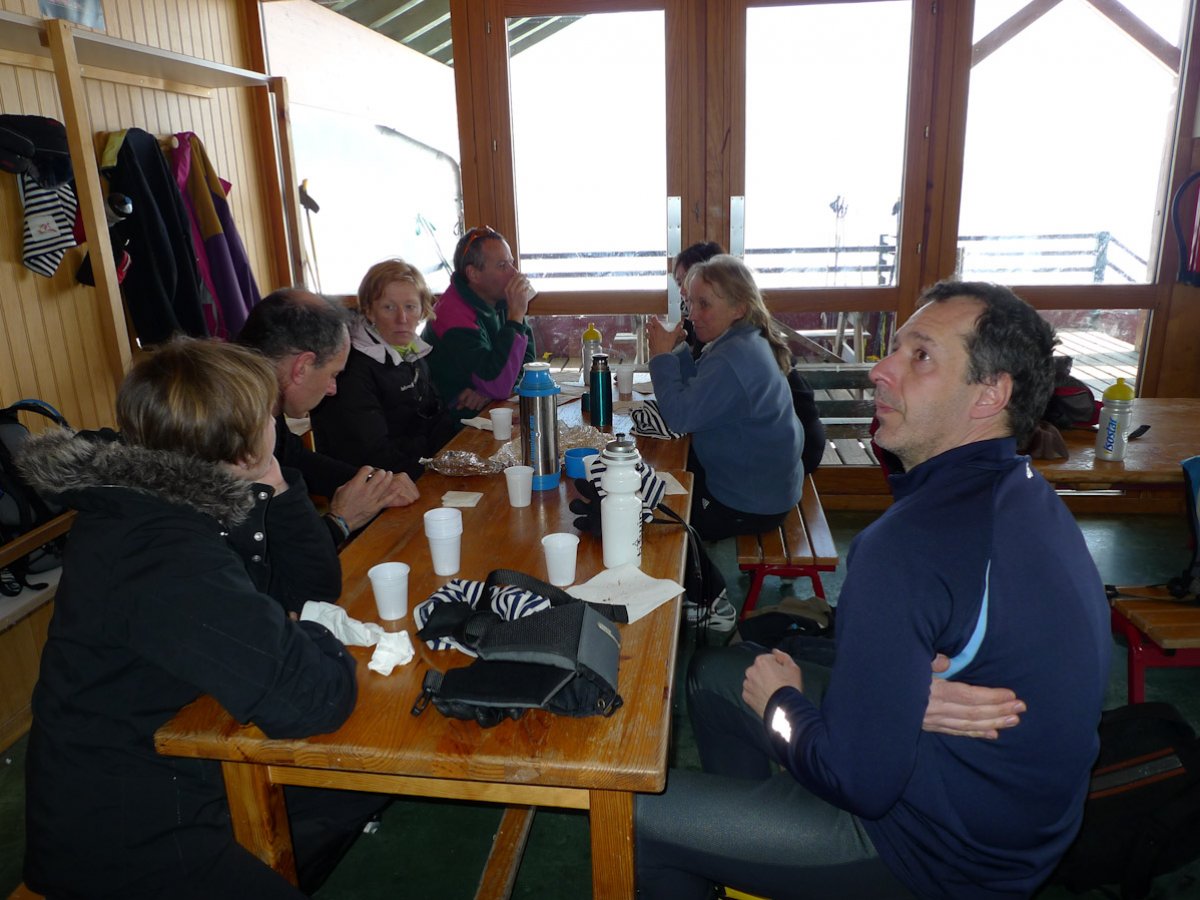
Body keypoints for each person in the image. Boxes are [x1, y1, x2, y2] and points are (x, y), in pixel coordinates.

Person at [636, 281, 1112, 899]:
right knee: (712, 675)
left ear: (991, 394)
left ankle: (766, 844)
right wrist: (900, 695)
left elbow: (856, 779)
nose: (880, 370)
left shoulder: (905, 546)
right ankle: (756, 860)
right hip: (996, 808)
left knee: (634, 815)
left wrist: (783, 707)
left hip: (931, 853)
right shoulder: (1019, 491)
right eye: (895, 349)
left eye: (921, 356)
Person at [18, 339, 386, 899]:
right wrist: (306, 631)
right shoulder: (158, 549)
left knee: (365, 780)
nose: (275, 425)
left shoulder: (180, 496)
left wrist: (276, 484)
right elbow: (314, 698)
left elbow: (311, 590)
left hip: (185, 753)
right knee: (358, 740)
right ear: (238, 448)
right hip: (127, 825)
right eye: (267, 417)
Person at [238, 287, 419, 545]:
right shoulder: (232, 430)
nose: (333, 389)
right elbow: (265, 558)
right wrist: (340, 522)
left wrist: (374, 485)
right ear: (302, 367)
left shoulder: (255, 396)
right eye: (333, 375)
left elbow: (293, 457)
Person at [647, 254, 804, 543]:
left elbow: (679, 418)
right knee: (671, 476)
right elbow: (698, 390)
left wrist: (660, 358)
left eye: (704, 304)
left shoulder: (732, 358)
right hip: (772, 486)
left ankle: (699, 573)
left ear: (739, 308)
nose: (692, 315)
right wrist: (678, 351)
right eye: (690, 303)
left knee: (654, 516)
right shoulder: (745, 339)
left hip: (751, 503)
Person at [310, 259, 456, 478]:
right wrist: (432, 473)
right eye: (389, 307)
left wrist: (448, 460)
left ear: (422, 311)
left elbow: (437, 418)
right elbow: (372, 454)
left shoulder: (412, 351)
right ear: (369, 311)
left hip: (419, 470)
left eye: (410, 307)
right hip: (372, 483)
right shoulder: (350, 369)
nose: (402, 319)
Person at [422, 225, 537, 424]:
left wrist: (489, 391)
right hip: (450, 426)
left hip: (482, 414)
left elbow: (527, 361)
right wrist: (516, 316)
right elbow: (499, 382)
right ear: (474, 274)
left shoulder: (498, 298)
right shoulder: (453, 316)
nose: (514, 273)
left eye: (511, 263)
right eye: (502, 265)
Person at [672, 240, 723, 358]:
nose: (682, 291)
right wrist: (679, 347)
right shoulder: (696, 323)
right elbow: (696, 368)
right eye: (679, 283)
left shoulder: (730, 347)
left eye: (689, 279)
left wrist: (661, 354)